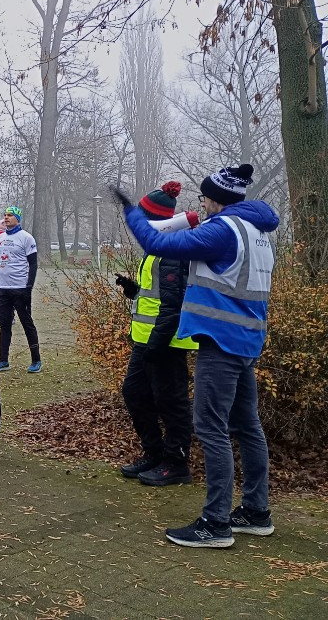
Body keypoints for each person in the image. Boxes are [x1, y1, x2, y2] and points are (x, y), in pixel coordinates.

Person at [115, 163, 278, 549]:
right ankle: (256, 512)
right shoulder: (257, 233)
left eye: (204, 197)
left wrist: (131, 214)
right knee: (247, 427)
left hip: (220, 343)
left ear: (215, 199)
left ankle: (216, 523)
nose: (201, 204)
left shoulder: (222, 229)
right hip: (246, 341)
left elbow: (159, 244)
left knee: (211, 428)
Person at [115, 183, 197, 487]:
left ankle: (176, 464)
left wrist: (157, 344)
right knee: (135, 393)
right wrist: (133, 289)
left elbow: (173, 305)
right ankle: (154, 453)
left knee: (171, 402)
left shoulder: (174, 250)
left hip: (167, 342)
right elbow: (156, 294)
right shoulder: (156, 249)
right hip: (146, 340)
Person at [0, 206, 42, 373]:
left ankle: (36, 360)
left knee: (27, 324)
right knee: (4, 325)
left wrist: (29, 287)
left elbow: (33, 264)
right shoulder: (1, 238)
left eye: (10, 215)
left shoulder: (26, 238)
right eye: (5, 215)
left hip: (20, 288)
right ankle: (3, 360)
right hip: (3, 289)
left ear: (18, 218)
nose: (6, 218)